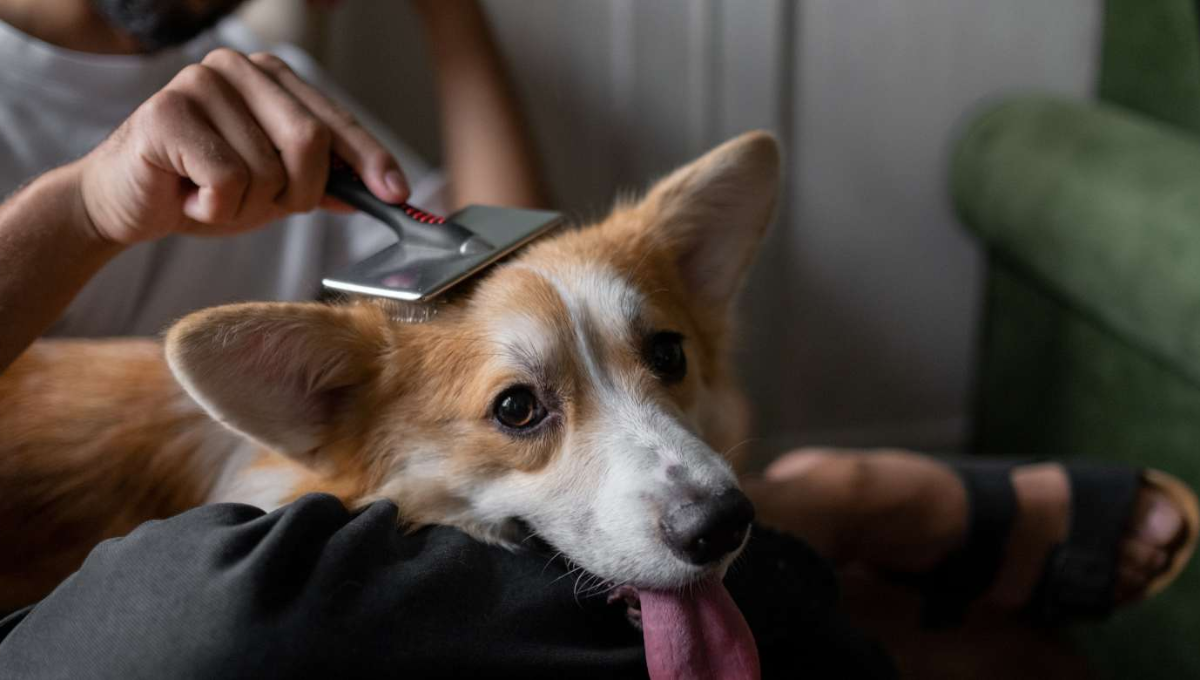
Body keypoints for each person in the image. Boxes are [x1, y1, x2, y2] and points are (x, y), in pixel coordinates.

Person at [0, 1, 1194, 677]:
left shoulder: (276, 83)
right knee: (226, 623)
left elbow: (506, 270)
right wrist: (82, 209)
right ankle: (819, 525)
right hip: (171, 589)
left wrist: (453, 19)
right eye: (527, 410)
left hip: (391, 488)